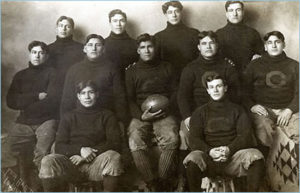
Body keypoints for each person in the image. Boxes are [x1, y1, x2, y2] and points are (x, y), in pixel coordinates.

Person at [176, 31, 240, 190]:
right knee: (185, 134)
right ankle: (186, 177)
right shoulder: (190, 68)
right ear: (198, 47)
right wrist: (187, 117)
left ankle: (234, 176)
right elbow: (182, 96)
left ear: (217, 45)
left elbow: (237, 93)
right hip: (197, 114)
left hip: (223, 110)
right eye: (204, 43)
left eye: (211, 43)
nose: (208, 46)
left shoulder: (227, 65)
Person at [184, 73, 265, 192]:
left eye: (219, 86)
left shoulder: (238, 110)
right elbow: (194, 139)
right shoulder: (199, 112)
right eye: (211, 87)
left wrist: (229, 149)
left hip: (233, 158)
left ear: (225, 88)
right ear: (207, 90)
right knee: (192, 158)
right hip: (208, 159)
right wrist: (210, 151)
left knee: (255, 156)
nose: (215, 90)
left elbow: (245, 136)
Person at [39, 80, 124, 192]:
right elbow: (59, 146)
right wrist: (80, 150)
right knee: (48, 160)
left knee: (114, 156)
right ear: (78, 96)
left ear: (97, 94)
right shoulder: (68, 117)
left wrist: (86, 156)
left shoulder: (107, 115)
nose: (87, 97)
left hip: (96, 165)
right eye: (83, 93)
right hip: (72, 165)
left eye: (91, 92)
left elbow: (114, 143)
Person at [125, 33, 179, 191]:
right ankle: (152, 182)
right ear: (138, 51)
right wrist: (141, 116)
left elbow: (176, 91)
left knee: (172, 138)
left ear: (155, 48)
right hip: (141, 114)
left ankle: (162, 180)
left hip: (164, 112)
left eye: (149, 46)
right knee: (134, 140)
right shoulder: (132, 71)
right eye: (142, 47)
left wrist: (166, 109)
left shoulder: (167, 67)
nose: (146, 50)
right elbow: (129, 99)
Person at [6, 41, 58, 191]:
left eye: (41, 53)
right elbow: (11, 101)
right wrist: (36, 96)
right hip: (24, 122)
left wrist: (24, 102)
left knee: (42, 154)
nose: (37, 55)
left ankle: (40, 188)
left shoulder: (53, 73)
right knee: (4, 153)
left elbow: (52, 101)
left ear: (46, 56)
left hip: (46, 121)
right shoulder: (20, 75)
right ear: (30, 54)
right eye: (34, 52)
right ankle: (17, 188)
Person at [243, 31, 299, 157]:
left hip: (288, 109)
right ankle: (265, 170)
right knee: (263, 128)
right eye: (270, 43)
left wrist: (290, 110)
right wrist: (252, 106)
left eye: (277, 42)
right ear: (265, 47)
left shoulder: (295, 66)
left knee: (298, 129)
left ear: (284, 45)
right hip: (264, 110)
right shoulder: (254, 65)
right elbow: (243, 91)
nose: (273, 46)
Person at [60, 34, 128, 126]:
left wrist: (120, 121)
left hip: (106, 119)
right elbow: (67, 100)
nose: (94, 48)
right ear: (84, 49)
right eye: (90, 45)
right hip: (79, 119)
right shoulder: (74, 70)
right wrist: (65, 123)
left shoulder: (112, 68)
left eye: (98, 45)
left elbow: (119, 98)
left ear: (103, 49)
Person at [48, 16, 84, 118]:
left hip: (74, 89)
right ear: (56, 28)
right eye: (61, 26)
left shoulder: (80, 48)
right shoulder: (48, 49)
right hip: (54, 90)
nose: (63, 29)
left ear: (72, 30)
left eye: (67, 26)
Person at [154, 0, 199, 82]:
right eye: (170, 12)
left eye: (176, 11)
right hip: (168, 81)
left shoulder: (194, 34)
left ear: (181, 13)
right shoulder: (158, 37)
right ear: (165, 15)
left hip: (192, 78)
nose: (174, 15)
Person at [216, 1, 264, 76]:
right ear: (227, 14)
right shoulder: (219, 34)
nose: (235, 14)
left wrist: (258, 56)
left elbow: (262, 54)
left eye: (238, 10)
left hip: (249, 76)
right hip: (226, 77)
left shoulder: (253, 33)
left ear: (243, 12)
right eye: (231, 10)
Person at [104, 9, 139, 79]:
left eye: (121, 21)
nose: (118, 24)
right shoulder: (103, 44)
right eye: (115, 21)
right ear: (110, 23)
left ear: (125, 22)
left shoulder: (135, 44)